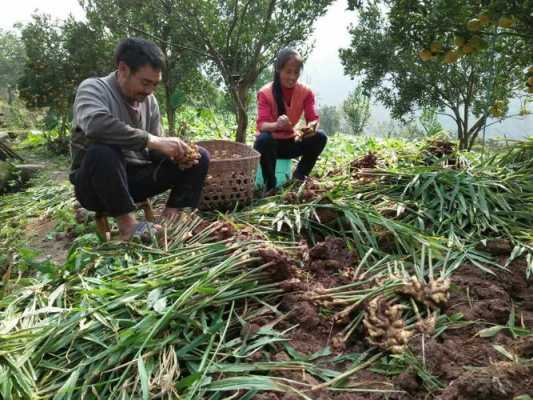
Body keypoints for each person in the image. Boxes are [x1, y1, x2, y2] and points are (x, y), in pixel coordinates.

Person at [69, 37, 209, 240]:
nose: (149, 90)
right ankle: (128, 226)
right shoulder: (93, 88)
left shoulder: (149, 101)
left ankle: (173, 216)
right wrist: (152, 140)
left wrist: (176, 154)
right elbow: (96, 125)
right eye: (145, 82)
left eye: (155, 84)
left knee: (199, 156)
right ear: (123, 69)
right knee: (103, 150)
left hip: (134, 182)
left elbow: (153, 149)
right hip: (96, 186)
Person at [254, 48, 327, 193]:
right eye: (288, 72)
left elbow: (313, 119)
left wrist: (311, 127)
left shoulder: (306, 92)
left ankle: (299, 176)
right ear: (278, 70)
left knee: (320, 137)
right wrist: (277, 125)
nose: (292, 77)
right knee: (263, 139)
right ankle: (270, 185)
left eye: (296, 73)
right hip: (269, 148)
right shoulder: (265, 93)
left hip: (290, 143)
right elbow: (262, 125)